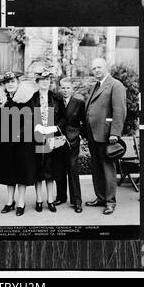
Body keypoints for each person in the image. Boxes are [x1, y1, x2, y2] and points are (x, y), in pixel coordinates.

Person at [84, 58, 127, 215]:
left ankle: (110, 201)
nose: (96, 70)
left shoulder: (116, 85)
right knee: (96, 168)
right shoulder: (96, 86)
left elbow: (120, 111)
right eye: (94, 68)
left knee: (108, 169)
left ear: (106, 67)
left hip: (106, 135)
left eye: (99, 67)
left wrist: (115, 133)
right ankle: (101, 197)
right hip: (93, 135)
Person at [0, 72, 36, 216]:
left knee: (21, 172)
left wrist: (18, 135)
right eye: (7, 82)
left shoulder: (26, 99)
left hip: (23, 142)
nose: (10, 84)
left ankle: (21, 202)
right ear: (4, 85)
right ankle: (9, 201)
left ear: (18, 83)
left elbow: (30, 120)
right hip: (6, 142)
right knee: (8, 172)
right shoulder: (3, 100)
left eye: (13, 81)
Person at [30, 69, 67, 213]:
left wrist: (54, 128)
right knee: (38, 168)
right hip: (37, 137)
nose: (45, 82)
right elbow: (27, 117)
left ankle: (50, 200)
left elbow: (64, 118)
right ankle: (39, 200)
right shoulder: (32, 98)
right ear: (37, 82)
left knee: (50, 169)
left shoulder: (56, 98)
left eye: (47, 79)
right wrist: (36, 126)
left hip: (52, 137)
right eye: (42, 79)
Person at [55, 78, 85, 213]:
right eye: (63, 88)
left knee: (72, 168)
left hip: (73, 139)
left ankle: (77, 201)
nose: (65, 90)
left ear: (72, 89)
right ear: (60, 89)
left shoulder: (79, 102)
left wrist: (81, 136)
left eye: (68, 88)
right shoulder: (57, 102)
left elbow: (84, 121)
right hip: (58, 139)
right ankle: (61, 197)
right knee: (59, 168)